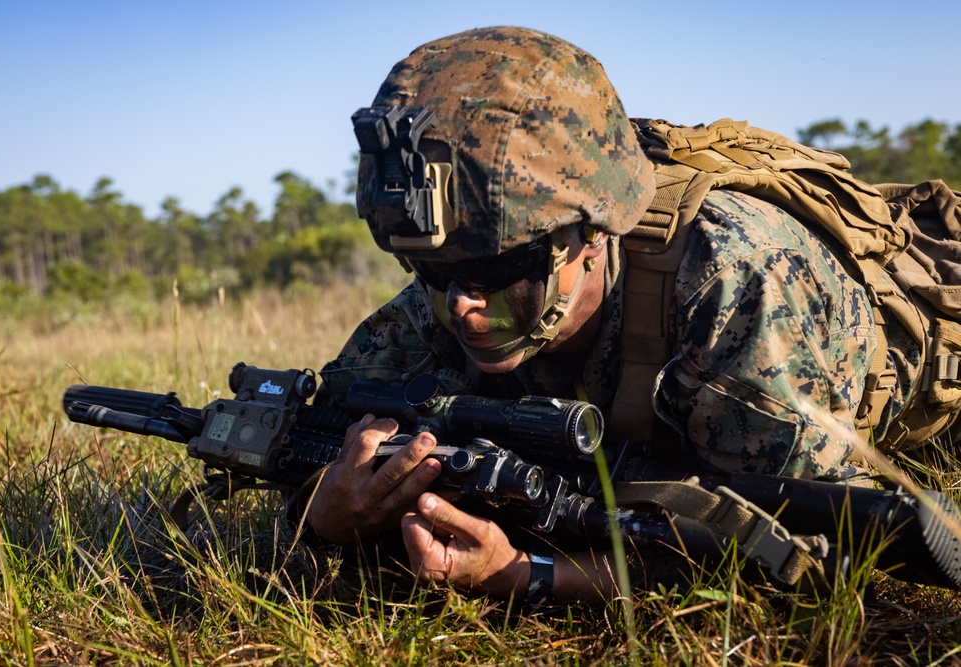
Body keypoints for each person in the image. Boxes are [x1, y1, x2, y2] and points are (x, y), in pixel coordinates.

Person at [299, 26, 894, 603]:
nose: (460, 302)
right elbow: (320, 438)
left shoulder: (729, 284)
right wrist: (326, 515)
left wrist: (527, 575)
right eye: (428, 270)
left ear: (591, 234)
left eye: (494, 273)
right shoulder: (457, 289)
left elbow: (823, 553)